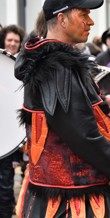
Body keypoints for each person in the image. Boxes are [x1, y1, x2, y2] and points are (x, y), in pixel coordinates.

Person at [14, 0, 110, 217]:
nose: (90, 21)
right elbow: (80, 131)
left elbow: (76, 108)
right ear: (62, 19)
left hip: (73, 192)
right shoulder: (56, 68)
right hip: (73, 200)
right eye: (83, 15)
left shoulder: (57, 63)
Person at [0, 24, 25, 218]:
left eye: (16, 41)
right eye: (9, 40)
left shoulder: (23, 66)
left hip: (9, 135)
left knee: (5, 185)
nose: (12, 44)